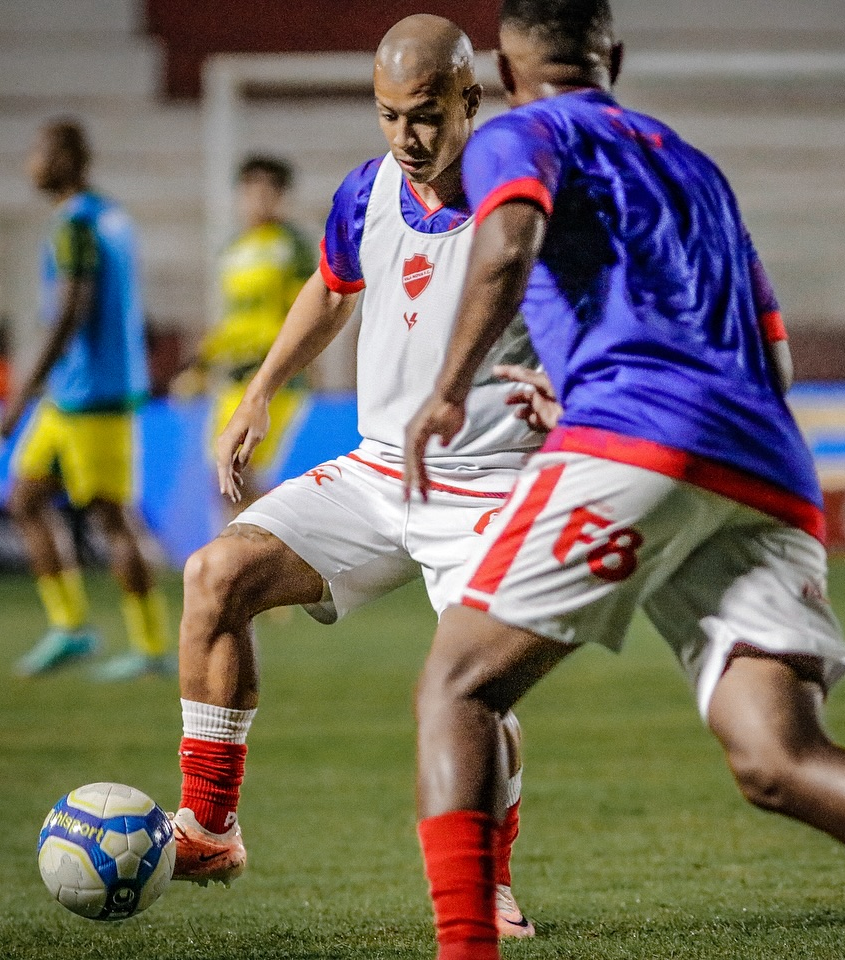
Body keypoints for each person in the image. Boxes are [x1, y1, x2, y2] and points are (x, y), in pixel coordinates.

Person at [402, 4, 845, 960]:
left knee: (458, 688)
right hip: (765, 462)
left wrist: (449, 390)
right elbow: (774, 356)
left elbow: (507, 245)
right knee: (778, 757)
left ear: (506, 70)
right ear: (613, 58)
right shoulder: (695, 167)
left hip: (639, 438)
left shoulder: (520, 132)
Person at [167, 15, 541, 939]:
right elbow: (334, 286)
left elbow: (607, 309)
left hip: (492, 484)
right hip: (380, 474)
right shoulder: (368, 191)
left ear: (470, 98)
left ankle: (487, 883)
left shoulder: (528, 198)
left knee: (470, 686)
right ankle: (210, 827)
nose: (406, 139)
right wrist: (260, 391)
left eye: (424, 116)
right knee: (217, 575)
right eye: (387, 116)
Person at [0, 118, 173, 683]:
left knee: (113, 520)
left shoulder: (75, 225)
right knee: (25, 498)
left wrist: (23, 387)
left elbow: (74, 308)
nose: (32, 163)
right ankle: (71, 627)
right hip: (73, 395)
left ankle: (151, 648)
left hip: (92, 395)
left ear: (70, 159)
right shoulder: (110, 216)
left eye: (41, 151)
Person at [174, 155, 317, 513]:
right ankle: (257, 559)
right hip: (233, 379)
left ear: (282, 196)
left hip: (273, 376)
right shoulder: (232, 249)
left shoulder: (293, 247)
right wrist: (201, 366)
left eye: (268, 190)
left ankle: (289, 545)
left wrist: (300, 365)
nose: (258, 199)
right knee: (225, 480)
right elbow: (230, 320)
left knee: (237, 473)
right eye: (251, 190)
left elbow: (309, 312)